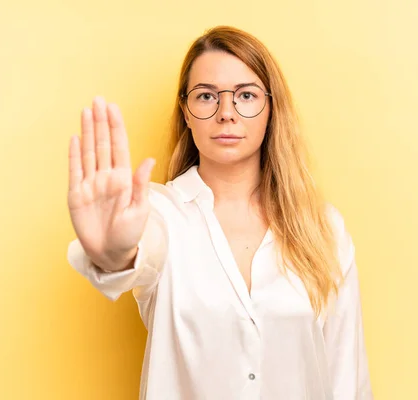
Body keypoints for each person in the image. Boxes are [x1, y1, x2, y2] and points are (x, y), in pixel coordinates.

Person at [66, 25, 373, 400]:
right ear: (186, 112)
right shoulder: (158, 213)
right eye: (207, 96)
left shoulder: (324, 226)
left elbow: (346, 376)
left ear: (271, 109)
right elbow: (130, 255)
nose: (226, 112)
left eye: (245, 95)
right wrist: (111, 251)